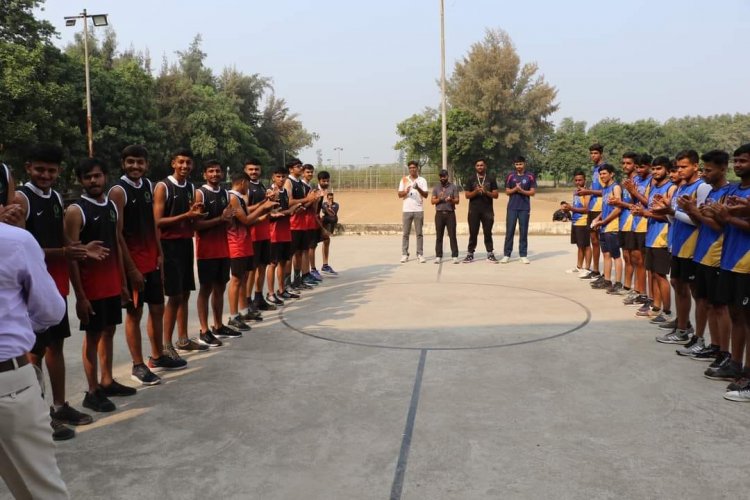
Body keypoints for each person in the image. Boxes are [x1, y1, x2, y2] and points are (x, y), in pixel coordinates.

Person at [15, 145, 97, 440]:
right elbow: (22, 247)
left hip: (53, 285)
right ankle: (37, 417)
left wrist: (77, 249)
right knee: (33, 353)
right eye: (40, 169)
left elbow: (63, 238)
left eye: (51, 170)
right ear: (28, 168)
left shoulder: (57, 197)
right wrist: (64, 251)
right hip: (30, 289)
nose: (45, 175)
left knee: (57, 346)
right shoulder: (21, 198)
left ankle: (59, 405)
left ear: (58, 171)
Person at [0, 220, 68, 499]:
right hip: (8, 384)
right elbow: (51, 310)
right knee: (41, 491)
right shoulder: (15, 240)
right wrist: (20, 325)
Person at [109, 145, 187, 388]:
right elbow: (117, 233)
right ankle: (137, 364)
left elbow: (153, 225)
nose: (135, 166)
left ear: (147, 165)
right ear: (123, 163)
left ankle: (157, 356)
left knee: (157, 308)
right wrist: (130, 268)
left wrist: (160, 254)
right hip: (133, 263)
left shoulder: (148, 186)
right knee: (134, 313)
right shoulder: (118, 191)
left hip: (151, 259)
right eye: (131, 161)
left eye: (140, 162)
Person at [65, 158, 134, 413]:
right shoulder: (76, 210)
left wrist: (123, 282)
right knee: (92, 337)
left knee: (109, 331)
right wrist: (80, 296)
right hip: (91, 287)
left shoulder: (112, 207)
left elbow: (116, 243)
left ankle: (107, 380)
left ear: (106, 176)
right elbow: (72, 255)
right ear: (81, 181)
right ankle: (92, 390)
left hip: (112, 284)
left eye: (97, 176)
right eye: (87, 177)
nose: (93, 181)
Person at [677, 150, 734, 374]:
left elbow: (720, 226)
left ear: (722, 169)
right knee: (707, 302)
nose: (704, 173)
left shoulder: (727, 194)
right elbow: (701, 223)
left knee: (720, 307)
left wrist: (694, 212)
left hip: (717, 255)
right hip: (702, 254)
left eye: (708, 170)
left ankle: (724, 352)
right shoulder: (710, 193)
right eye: (704, 169)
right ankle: (713, 346)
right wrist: (689, 211)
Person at [154, 148, 207, 362]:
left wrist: (196, 214)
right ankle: (166, 345)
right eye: (181, 162)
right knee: (174, 296)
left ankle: (183, 339)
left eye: (188, 163)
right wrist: (187, 214)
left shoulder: (190, 187)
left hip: (186, 242)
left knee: (185, 293)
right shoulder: (163, 187)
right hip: (168, 246)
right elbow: (157, 221)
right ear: (173, 163)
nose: (185, 166)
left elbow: (192, 219)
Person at [655, 150, 711, 341]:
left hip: (693, 249)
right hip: (678, 246)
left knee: (696, 293)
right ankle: (682, 326)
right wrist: (668, 211)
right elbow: (675, 219)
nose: (679, 170)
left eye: (684, 166)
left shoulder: (702, 188)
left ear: (696, 166)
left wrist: (672, 211)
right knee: (678, 286)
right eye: (678, 167)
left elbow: (699, 221)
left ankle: (698, 335)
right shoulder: (680, 188)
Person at [710, 143, 750, 401]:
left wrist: (728, 216)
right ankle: (735, 363)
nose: (738, 165)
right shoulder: (734, 190)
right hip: (729, 261)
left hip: (746, 264)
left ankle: (748, 374)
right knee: (736, 314)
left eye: (743, 161)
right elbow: (721, 222)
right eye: (736, 161)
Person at [632, 157, 677, 336]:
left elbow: (668, 216)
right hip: (651, 235)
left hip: (662, 237)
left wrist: (646, 213)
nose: (655, 172)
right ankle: (656, 305)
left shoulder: (671, 188)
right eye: (654, 169)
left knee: (661, 275)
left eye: (659, 169)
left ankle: (666, 311)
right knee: (653, 273)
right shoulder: (654, 187)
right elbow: (649, 207)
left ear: (666, 170)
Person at [194, 160, 235, 347]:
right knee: (206, 290)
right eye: (211, 171)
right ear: (204, 174)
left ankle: (218, 325)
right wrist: (221, 219)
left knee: (220, 287)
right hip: (206, 251)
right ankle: (204, 330)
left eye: (218, 171)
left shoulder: (226, 194)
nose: (215, 174)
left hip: (223, 248)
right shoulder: (200, 194)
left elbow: (228, 221)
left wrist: (229, 219)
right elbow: (196, 225)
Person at [244, 158, 275, 312]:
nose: (254, 172)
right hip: (252, 234)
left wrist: (271, 202)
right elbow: (244, 211)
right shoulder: (245, 187)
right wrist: (264, 205)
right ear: (245, 170)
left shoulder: (262, 186)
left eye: (256, 169)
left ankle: (258, 297)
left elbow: (266, 206)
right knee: (252, 269)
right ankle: (247, 300)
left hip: (265, 233)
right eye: (251, 169)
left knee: (262, 266)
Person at [576, 144, 608, 280]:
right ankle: (595, 269)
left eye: (595, 153)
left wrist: (588, 191)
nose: (593, 156)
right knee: (593, 240)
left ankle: (605, 273)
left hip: (601, 208)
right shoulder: (595, 169)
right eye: (591, 153)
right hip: (592, 208)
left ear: (601, 154)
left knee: (602, 241)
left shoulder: (604, 169)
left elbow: (606, 191)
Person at [286, 158, 319, 288]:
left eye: (300, 166)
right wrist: (307, 199)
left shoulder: (299, 183)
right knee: (290, 255)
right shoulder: (288, 182)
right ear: (291, 169)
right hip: (292, 224)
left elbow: (304, 203)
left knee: (299, 253)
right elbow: (289, 201)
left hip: (301, 223)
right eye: (298, 166)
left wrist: (313, 200)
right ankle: (286, 283)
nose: (300, 168)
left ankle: (298, 280)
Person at [590, 164, 623, 292]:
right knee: (606, 254)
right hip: (604, 226)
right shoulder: (605, 189)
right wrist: (598, 218)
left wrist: (604, 221)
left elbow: (618, 209)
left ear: (612, 174)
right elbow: (605, 208)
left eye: (604, 173)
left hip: (612, 226)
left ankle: (618, 283)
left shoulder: (616, 188)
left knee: (616, 255)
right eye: (601, 174)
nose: (602, 176)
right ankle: (607, 280)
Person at [267, 167, 297, 303]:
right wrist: (289, 211)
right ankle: (270, 293)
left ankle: (281, 289)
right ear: (273, 177)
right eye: (278, 176)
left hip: (285, 232)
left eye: (283, 176)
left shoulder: (285, 192)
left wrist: (293, 210)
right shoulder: (270, 192)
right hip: (274, 233)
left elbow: (285, 211)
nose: (281, 179)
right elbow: (270, 214)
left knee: (283, 263)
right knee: (272, 263)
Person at [463, 158, 499, 263]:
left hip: (487, 210)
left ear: (485, 166)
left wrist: (486, 191)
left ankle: (490, 254)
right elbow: (467, 195)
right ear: (475, 167)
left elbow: (496, 195)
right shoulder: (471, 179)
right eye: (478, 165)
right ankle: (470, 254)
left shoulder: (491, 178)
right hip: (474, 211)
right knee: (473, 232)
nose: (480, 167)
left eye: (481, 165)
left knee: (488, 232)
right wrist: (476, 191)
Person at [502, 156, 536, 264]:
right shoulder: (510, 176)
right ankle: (507, 254)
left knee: (523, 231)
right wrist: (515, 189)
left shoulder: (530, 176)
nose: (518, 166)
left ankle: (523, 255)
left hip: (524, 208)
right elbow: (507, 191)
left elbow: (532, 192)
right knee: (509, 231)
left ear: (524, 164)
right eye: (516, 164)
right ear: (514, 165)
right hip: (512, 207)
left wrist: (521, 190)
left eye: (520, 164)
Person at [398, 160, 428, 263]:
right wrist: (405, 192)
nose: (412, 169)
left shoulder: (422, 180)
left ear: (417, 168)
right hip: (407, 210)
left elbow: (426, 195)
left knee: (419, 234)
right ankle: (404, 254)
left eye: (414, 167)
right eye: (410, 168)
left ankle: (420, 254)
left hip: (418, 209)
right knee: (405, 233)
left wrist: (418, 188)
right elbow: (399, 194)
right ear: (408, 169)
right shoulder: (404, 180)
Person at [562, 171, 590, 274]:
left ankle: (587, 268)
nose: (578, 182)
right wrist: (567, 209)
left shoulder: (586, 192)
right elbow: (577, 206)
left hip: (583, 222)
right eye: (576, 180)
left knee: (586, 245)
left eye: (580, 180)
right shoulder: (575, 192)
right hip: (575, 222)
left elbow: (587, 209)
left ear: (584, 180)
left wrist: (572, 208)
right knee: (579, 245)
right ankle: (579, 266)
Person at [431, 169, 460, 264]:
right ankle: (438, 256)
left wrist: (451, 200)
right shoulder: (436, 188)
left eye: (444, 176)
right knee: (439, 236)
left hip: (450, 213)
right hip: (439, 213)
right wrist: (440, 198)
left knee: (452, 235)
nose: (442, 178)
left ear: (447, 176)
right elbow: (432, 201)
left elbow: (457, 201)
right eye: (441, 176)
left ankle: (455, 256)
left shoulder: (453, 187)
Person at [314, 170, 337, 276]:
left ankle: (325, 265)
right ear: (319, 180)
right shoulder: (316, 191)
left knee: (326, 239)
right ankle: (312, 270)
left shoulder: (323, 191)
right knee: (311, 246)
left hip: (317, 218)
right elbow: (313, 211)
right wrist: (321, 225)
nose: (326, 183)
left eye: (327, 181)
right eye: (324, 181)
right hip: (312, 220)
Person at [320, 190, 339, 275]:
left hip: (330, 224)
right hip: (323, 224)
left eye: (332, 197)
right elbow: (325, 211)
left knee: (326, 241)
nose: (330, 198)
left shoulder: (336, 204)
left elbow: (333, 214)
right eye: (329, 197)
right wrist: (328, 207)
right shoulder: (323, 204)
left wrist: (329, 207)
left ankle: (325, 265)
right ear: (326, 197)